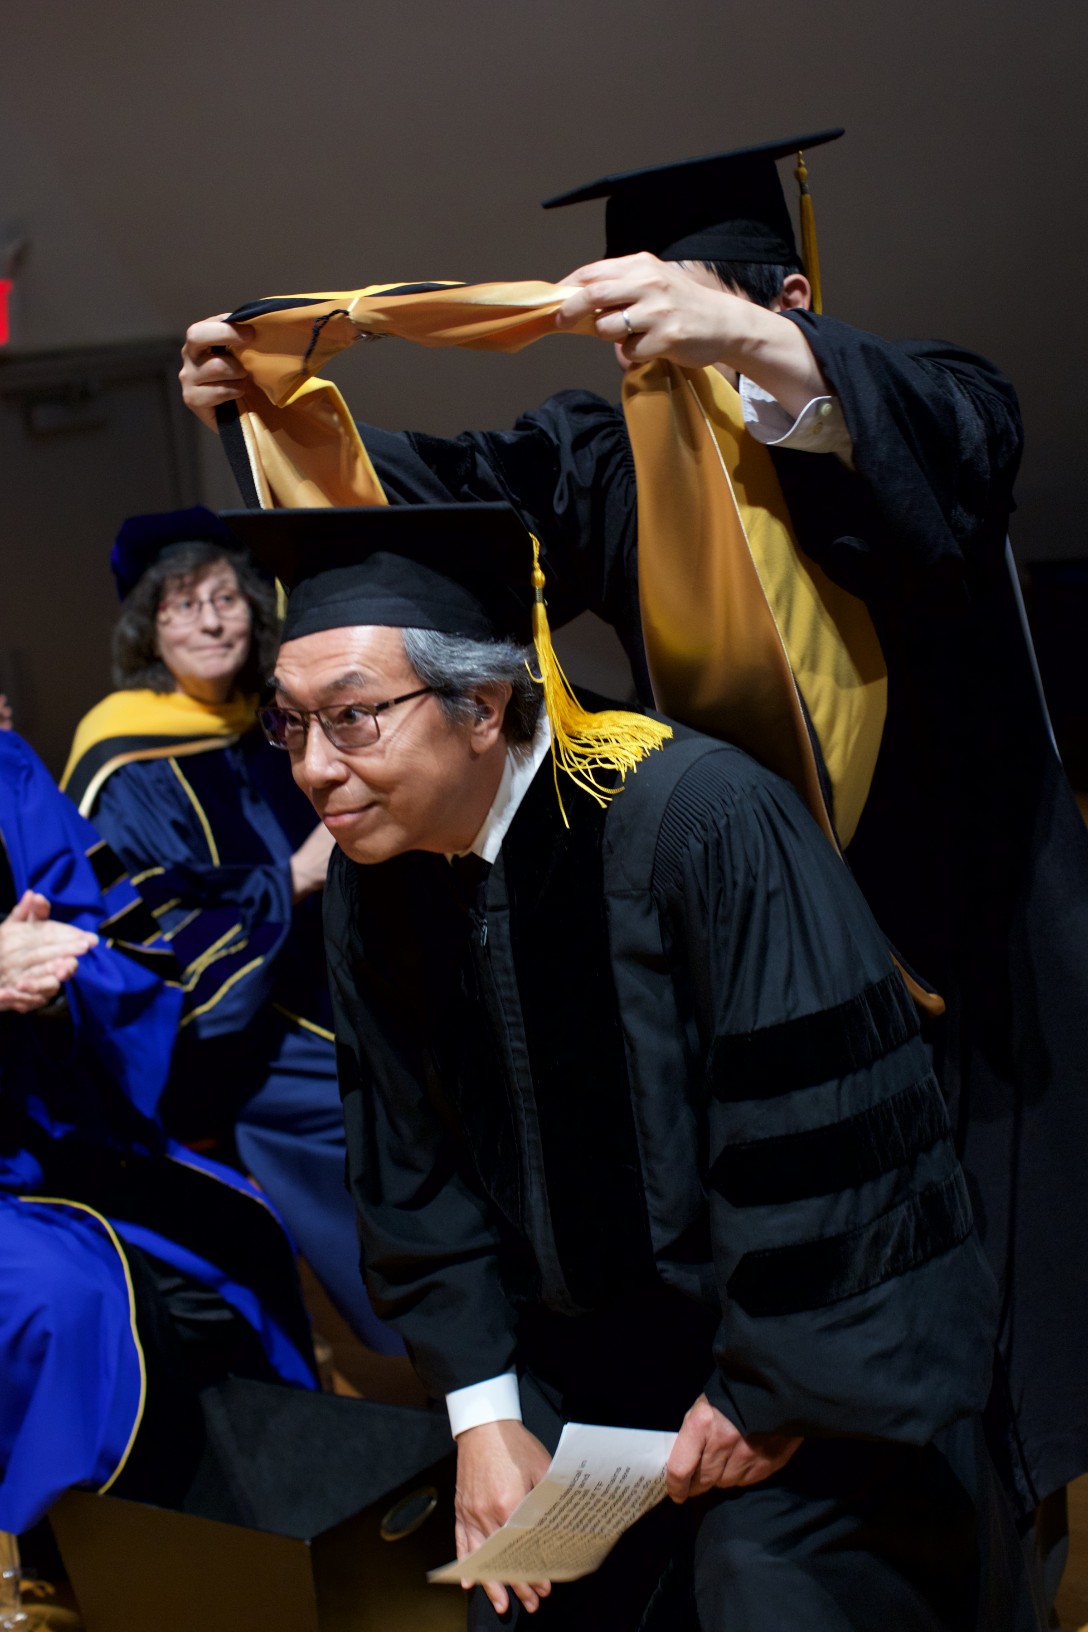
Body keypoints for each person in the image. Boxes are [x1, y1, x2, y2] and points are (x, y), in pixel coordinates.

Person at [177, 133, 1088, 1522]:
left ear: (787, 300)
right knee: (797, 1382)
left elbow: (962, 438)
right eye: (638, 333)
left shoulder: (909, 395)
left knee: (980, 1379)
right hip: (755, 944)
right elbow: (437, 520)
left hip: (960, 962)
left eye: (686, 318)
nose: (658, 361)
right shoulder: (615, 449)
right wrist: (273, 401)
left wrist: (743, 342)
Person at [225, 498, 1044, 1632]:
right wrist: (484, 1413)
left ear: (483, 706)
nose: (314, 769)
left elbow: (831, 1144)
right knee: (514, 1603)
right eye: (290, 723)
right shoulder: (378, 880)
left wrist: (767, 1392)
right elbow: (408, 1170)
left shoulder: (698, 825)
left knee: (765, 1597)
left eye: (353, 718)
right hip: (580, 1390)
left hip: (803, 1384)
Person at [61, 508, 401, 1356]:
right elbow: (156, 929)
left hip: (331, 975)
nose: (210, 622)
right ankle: (418, 1326)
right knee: (372, 1095)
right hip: (223, 1035)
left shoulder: (273, 718)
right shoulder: (123, 759)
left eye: (225, 599)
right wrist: (290, 879)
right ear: (150, 626)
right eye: (183, 605)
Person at [0, 726, 317, 1540]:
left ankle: (272, 1549)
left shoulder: (6, 769)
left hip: (39, 1132)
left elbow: (115, 933)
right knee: (71, 1307)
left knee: (242, 1232)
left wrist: (57, 984)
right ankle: (57, 1573)